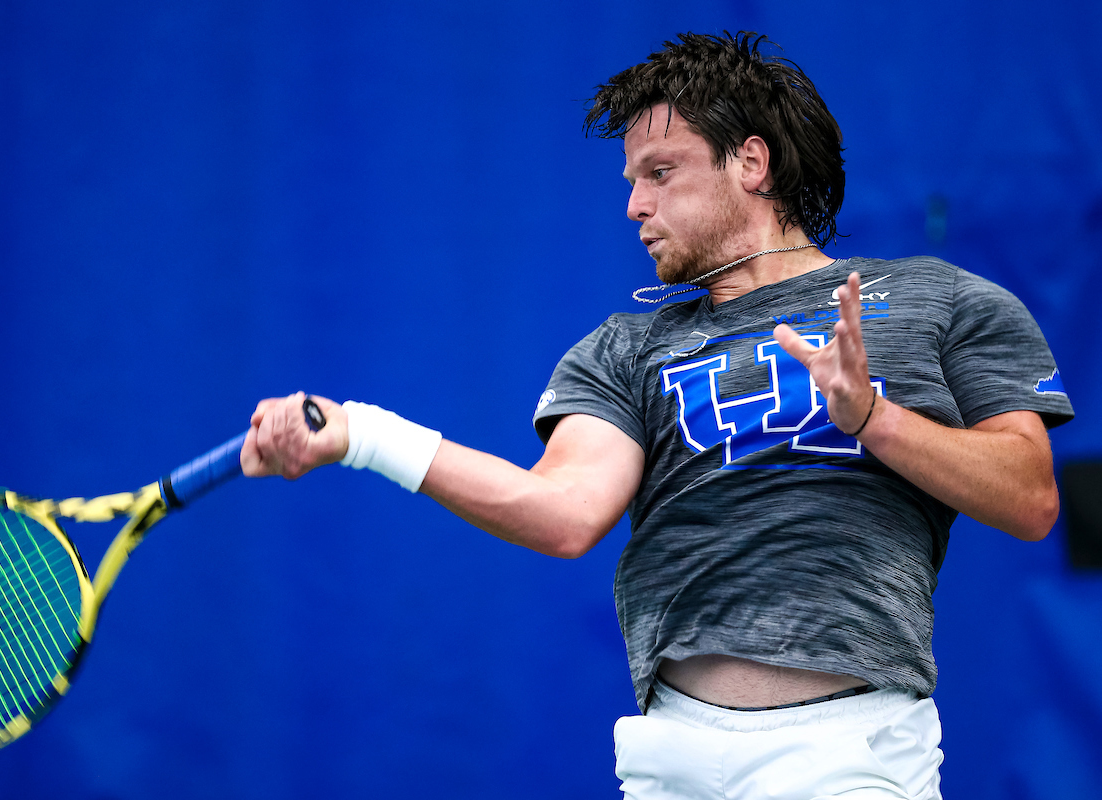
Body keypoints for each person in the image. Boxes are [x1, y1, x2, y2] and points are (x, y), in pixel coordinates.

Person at [240, 32, 1074, 800]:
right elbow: (563, 513)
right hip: (670, 757)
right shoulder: (623, 349)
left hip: (849, 756)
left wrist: (874, 419)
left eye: (660, 172)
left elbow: (1031, 497)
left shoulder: (942, 301)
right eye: (632, 180)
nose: (634, 205)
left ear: (751, 163)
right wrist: (362, 434)